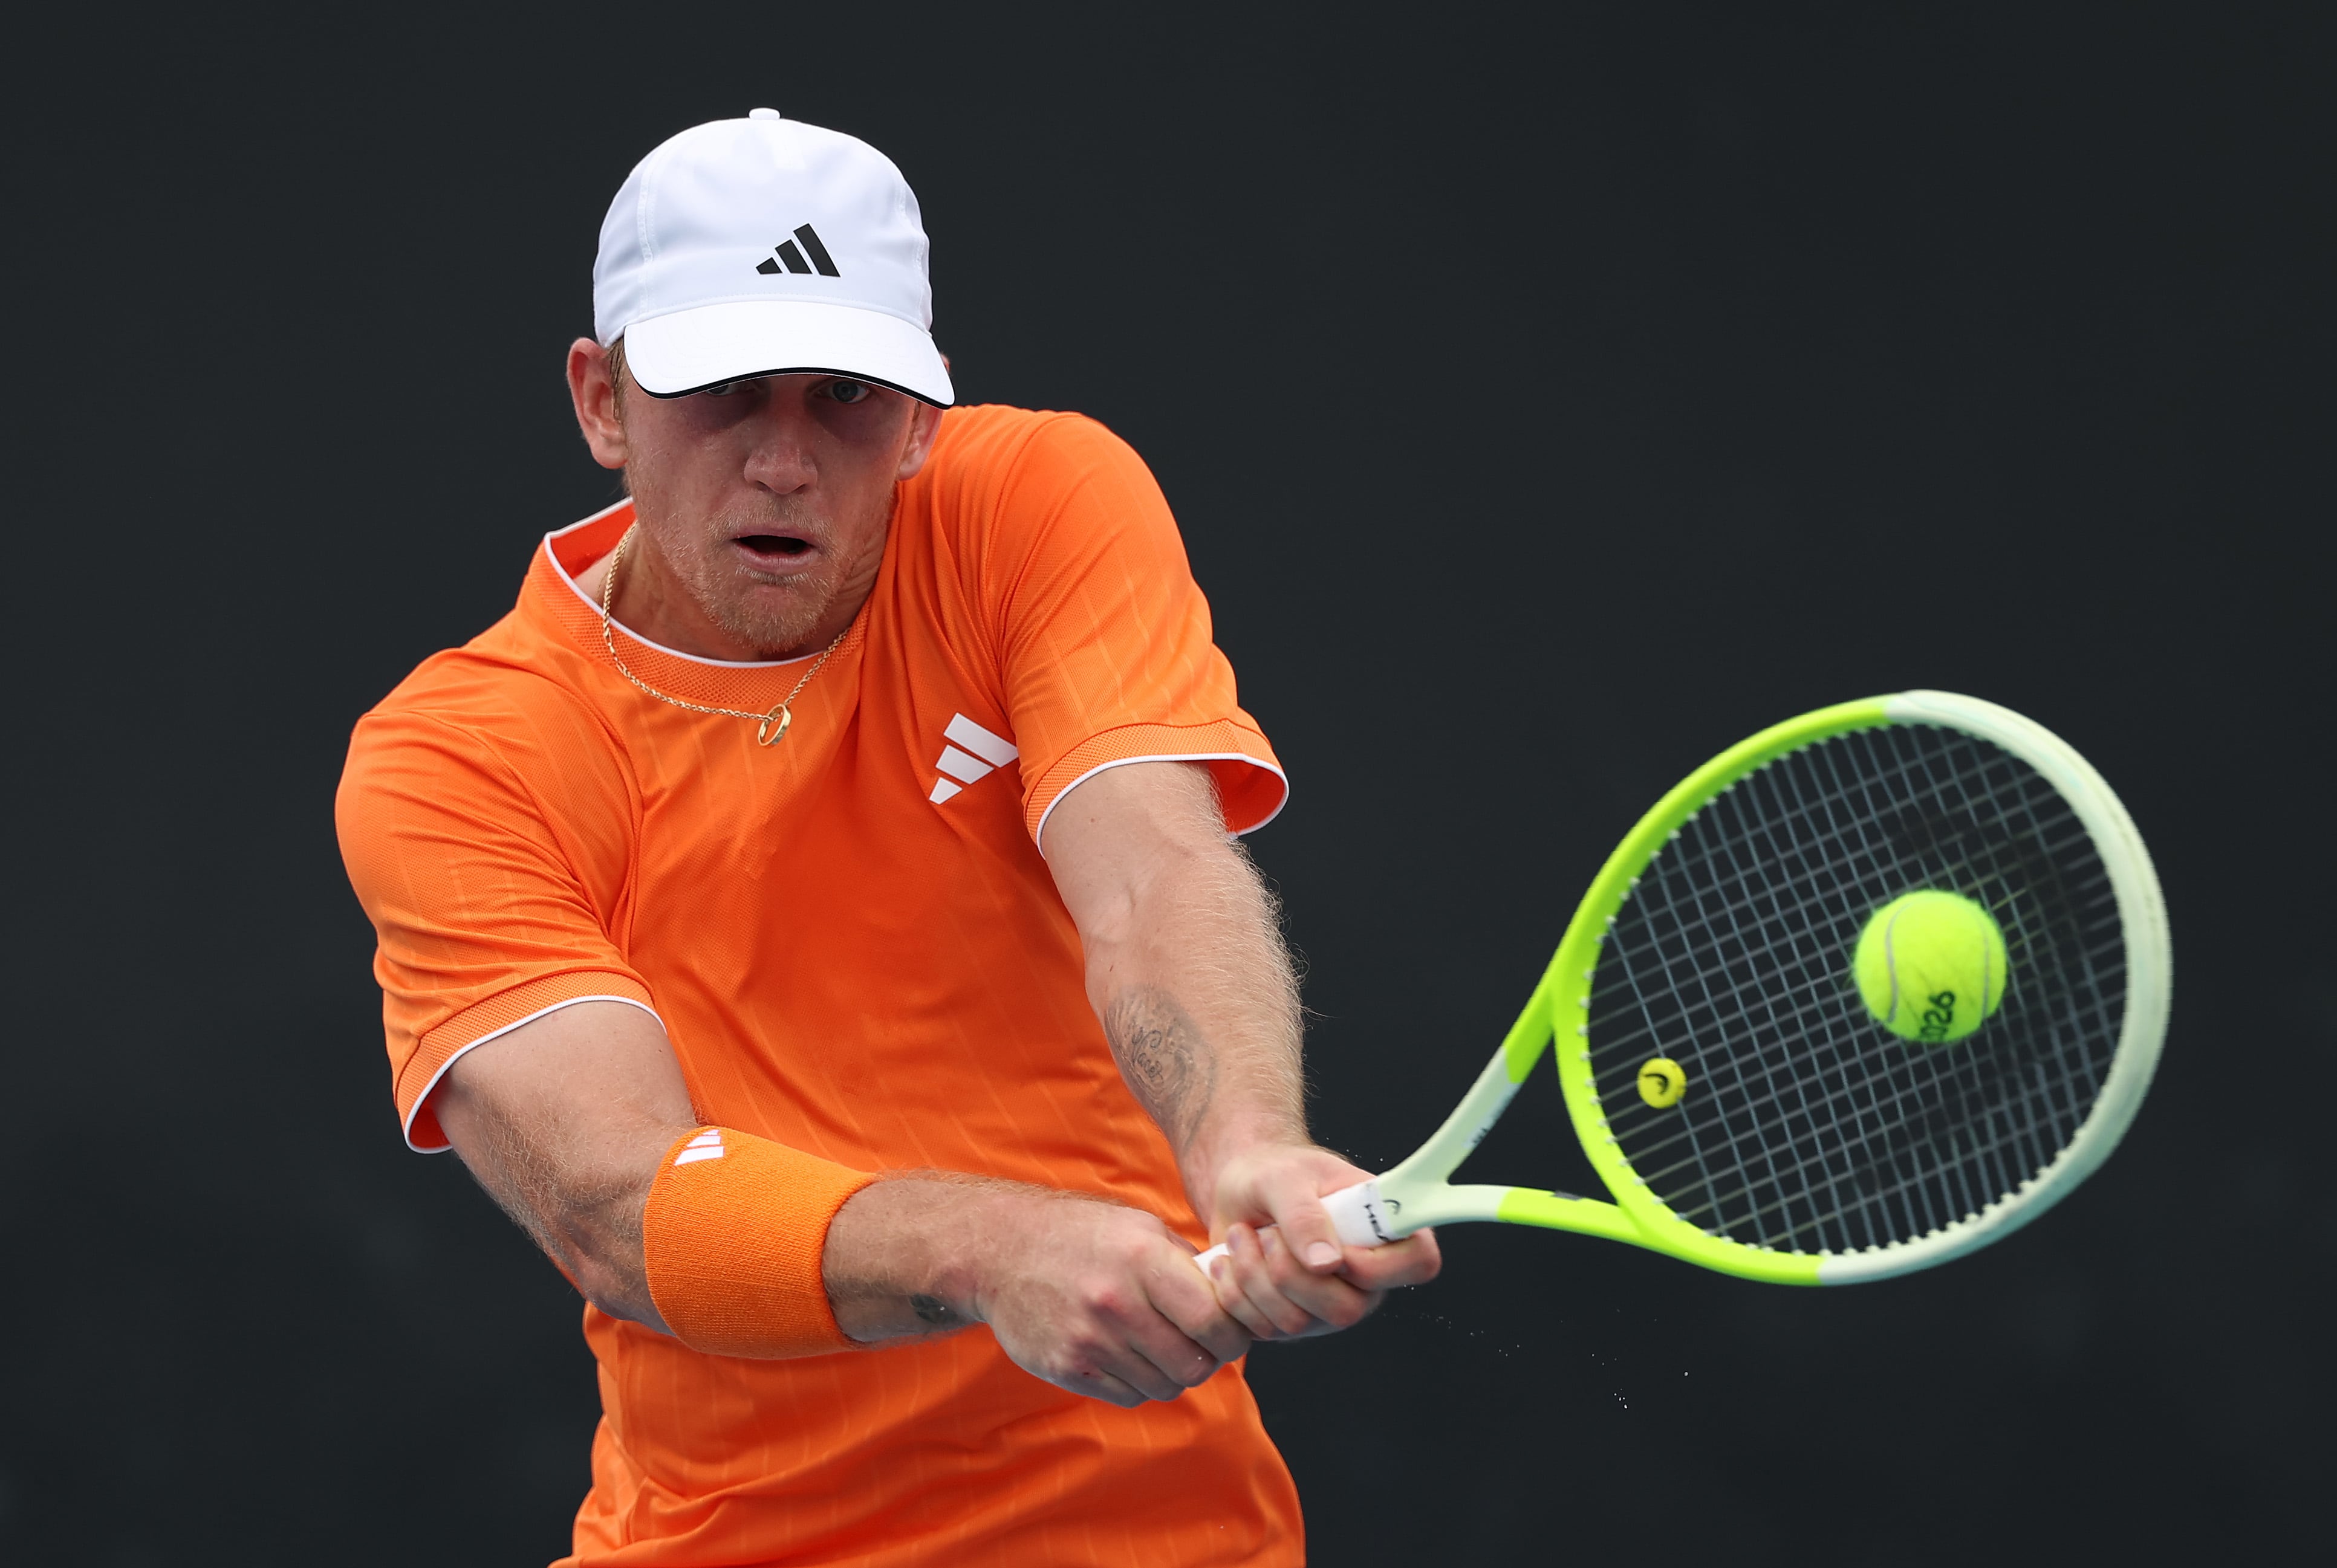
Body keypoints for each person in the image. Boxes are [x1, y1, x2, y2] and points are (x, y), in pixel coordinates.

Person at [336, 108, 1438, 1566]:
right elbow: (614, 1197)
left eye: (847, 397)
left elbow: (1151, 865)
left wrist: (1245, 1145)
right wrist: (993, 1250)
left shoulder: (1032, 503)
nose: (784, 460)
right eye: (725, 392)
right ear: (602, 404)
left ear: (922, 418)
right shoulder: (457, 755)